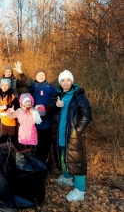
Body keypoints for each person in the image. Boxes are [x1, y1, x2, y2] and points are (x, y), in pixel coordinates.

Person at [48, 70, 92, 202]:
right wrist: (56, 106)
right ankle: (66, 178)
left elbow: (87, 115)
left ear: (72, 81)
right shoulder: (58, 95)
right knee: (63, 157)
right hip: (60, 134)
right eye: (62, 80)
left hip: (73, 136)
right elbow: (49, 109)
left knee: (76, 161)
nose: (65, 83)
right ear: (60, 82)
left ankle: (80, 190)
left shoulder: (79, 96)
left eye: (68, 80)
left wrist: (77, 130)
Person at [26, 68, 55, 170]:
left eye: (43, 75)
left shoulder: (50, 87)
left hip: (47, 118)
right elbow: (28, 92)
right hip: (34, 119)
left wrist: (47, 108)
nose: (41, 77)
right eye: (39, 75)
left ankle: (47, 163)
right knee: (36, 142)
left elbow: (54, 99)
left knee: (46, 143)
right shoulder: (33, 86)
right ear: (35, 76)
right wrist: (28, 85)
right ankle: (37, 164)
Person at [0, 78, 20, 147]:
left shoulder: (12, 96)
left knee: (9, 142)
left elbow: (16, 107)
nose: (4, 86)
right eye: (3, 85)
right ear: (0, 86)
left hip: (8, 122)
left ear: (9, 86)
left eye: (6, 85)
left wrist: (6, 107)